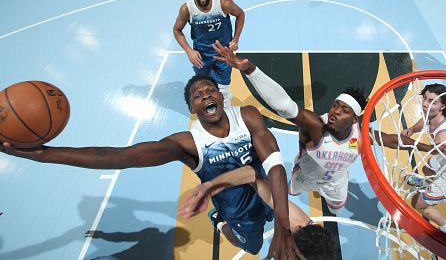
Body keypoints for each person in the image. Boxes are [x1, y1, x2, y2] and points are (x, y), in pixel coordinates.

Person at [0, 75, 302, 259]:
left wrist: (281, 222)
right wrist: (42, 154)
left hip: (265, 190)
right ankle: (219, 221)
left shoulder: (247, 116)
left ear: (221, 97)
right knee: (250, 248)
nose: (206, 95)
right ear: (192, 109)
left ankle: (262, 217)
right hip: (235, 211)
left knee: (295, 227)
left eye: (210, 90)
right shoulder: (188, 143)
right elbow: (116, 157)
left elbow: (274, 164)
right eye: (198, 95)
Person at [212, 41, 434, 215]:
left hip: (336, 182)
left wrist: (431, 149)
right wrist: (250, 68)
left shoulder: (361, 133)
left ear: (354, 119)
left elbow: (396, 140)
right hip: (305, 176)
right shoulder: (317, 126)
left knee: (336, 207)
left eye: (344, 110)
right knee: (292, 191)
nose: (336, 111)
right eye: (335, 105)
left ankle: (328, 198)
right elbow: (283, 105)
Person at [178, 164, 335, 259]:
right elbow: (250, 174)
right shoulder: (293, 219)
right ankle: (219, 222)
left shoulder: (312, 253)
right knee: (252, 247)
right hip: (251, 183)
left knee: (267, 212)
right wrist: (211, 185)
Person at [402, 84, 446, 237]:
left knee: (418, 204)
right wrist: (412, 130)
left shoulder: (445, 138)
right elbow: (424, 121)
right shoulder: (434, 115)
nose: (425, 104)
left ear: (443, 106)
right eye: (425, 99)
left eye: (432, 101)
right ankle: (426, 184)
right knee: (426, 170)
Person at [173, 0, 245, 107]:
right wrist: (189, 51)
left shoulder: (224, 4)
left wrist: (235, 39)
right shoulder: (187, 9)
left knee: (224, 89)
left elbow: (240, 14)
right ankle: (207, 111)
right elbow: (177, 30)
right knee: (204, 86)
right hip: (201, 56)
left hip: (223, 54)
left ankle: (226, 112)